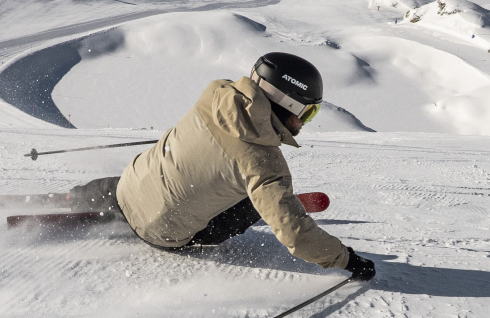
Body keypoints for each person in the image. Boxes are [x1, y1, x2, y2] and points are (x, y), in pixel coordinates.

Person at [67, 52, 376, 280]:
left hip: (128, 188)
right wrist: (347, 259)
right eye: (308, 113)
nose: (305, 123)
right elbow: (296, 236)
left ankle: (73, 197)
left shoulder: (216, 92)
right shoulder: (265, 164)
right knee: (254, 198)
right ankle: (266, 205)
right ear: (288, 104)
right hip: (164, 232)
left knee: (143, 175)